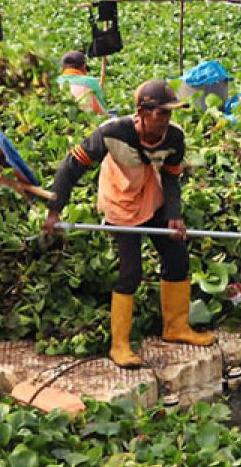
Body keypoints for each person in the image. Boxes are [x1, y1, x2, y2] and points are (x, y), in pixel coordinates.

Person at [42, 79, 213, 368]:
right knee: (131, 271)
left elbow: (171, 176)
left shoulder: (174, 138)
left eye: (170, 113)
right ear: (143, 113)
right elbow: (73, 165)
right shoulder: (112, 133)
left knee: (177, 256)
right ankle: (119, 344)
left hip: (151, 193)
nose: (166, 120)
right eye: (161, 113)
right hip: (120, 199)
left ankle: (176, 327)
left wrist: (174, 214)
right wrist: (54, 210)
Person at [57, 51, 108, 115]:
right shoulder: (90, 81)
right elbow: (102, 110)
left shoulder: (55, 81)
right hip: (88, 119)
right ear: (84, 66)